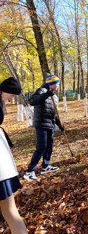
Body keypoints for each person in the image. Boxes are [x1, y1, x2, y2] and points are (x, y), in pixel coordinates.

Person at [0, 77, 28, 234]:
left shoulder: (0, 100)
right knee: (9, 209)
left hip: (1, 162)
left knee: (9, 208)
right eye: (13, 94)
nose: (13, 98)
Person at [23, 74, 64, 181]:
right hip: (41, 123)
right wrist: (46, 94)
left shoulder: (54, 95)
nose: (58, 85)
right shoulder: (42, 90)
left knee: (49, 145)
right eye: (57, 83)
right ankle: (29, 171)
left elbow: (53, 112)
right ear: (52, 83)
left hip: (50, 124)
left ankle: (46, 165)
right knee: (41, 146)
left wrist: (60, 125)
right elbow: (32, 101)